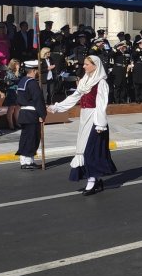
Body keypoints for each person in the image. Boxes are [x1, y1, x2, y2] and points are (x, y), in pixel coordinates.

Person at [47, 55, 116, 195]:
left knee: (90, 151)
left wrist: (100, 124)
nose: (83, 66)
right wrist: (57, 107)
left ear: (95, 66)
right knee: (83, 148)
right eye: (84, 64)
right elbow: (74, 97)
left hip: (96, 119)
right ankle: (95, 180)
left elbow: (101, 105)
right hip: (85, 118)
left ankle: (92, 181)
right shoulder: (85, 81)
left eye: (86, 64)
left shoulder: (101, 83)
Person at [15, 60, 45, 170]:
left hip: (23, 113)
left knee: (26, 137)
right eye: (37, 70)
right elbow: (38, 100)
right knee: (32, 138)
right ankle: (27, 161)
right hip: (32, 114)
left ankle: (26, 160)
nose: (38, 72)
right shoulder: (32, 83)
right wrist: (42, 114)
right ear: (33, 70)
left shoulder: (22, 81)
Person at [3, 58, 22, 130]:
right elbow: (14, 79)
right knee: (11, 108)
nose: (19, 66)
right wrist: (17, 71)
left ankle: (17, 122)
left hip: (18, 91)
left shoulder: (19, 72)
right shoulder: (9, 72)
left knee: (18, 107)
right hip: (11, 91)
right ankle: (10, 124)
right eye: (17, 64)